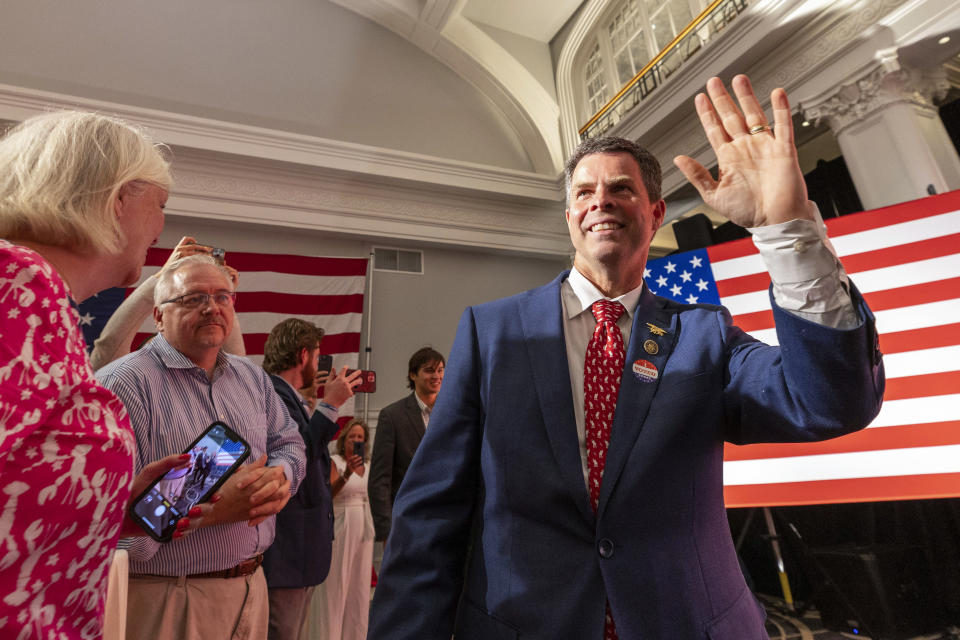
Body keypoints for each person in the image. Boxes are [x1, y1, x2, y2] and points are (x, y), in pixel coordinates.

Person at [367, 75, 885, 639]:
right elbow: (431, 516)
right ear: (569, 218)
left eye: (621, 188)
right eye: (584, 193)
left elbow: (832, 403)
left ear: (656, 212)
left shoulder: (704, 334)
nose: (601, 201)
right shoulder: (490, 332)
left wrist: (787, 230)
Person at [0, 110, 206, 639]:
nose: (161, 226)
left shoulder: (43, 301)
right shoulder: (15, 290)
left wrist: (114, 509)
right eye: (159, 205)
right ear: (117, 200)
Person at [96, 254, 307, 640]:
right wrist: (208, 511)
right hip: (171, 596)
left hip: (252, 585)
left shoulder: (252, 377)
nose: (212, 307)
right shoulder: (122, 385)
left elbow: (289, 442)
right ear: (158, 316)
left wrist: (281, 477)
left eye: (222, 296)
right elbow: (113, 532)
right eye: (193, 298)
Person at [259, 317, 361, 640]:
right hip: (287, 549)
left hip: (301, 550)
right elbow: (297, 452)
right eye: (317, 356)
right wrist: (331, 404)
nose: (318, 364)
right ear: (303, 355)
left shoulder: (294, 398)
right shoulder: (274, 395)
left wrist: (318, 402)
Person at [90, 235, 246, 370]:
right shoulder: (125, 379)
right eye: (159, 355)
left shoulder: (232, 380)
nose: (212, 309)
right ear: (159, 318)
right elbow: (110, 346)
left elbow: (236, 360)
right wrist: (161, 276)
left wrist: (224, 291)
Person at [367, 347, 445, 542]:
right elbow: (380, 480)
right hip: (406, 523)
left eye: (440, 370)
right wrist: (386, 531)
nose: (436, 376)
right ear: (413, 375)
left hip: (446, 521)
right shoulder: (393, 416)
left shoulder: (453, 413)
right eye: (429, 370)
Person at [310, 419, 374, 640]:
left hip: (363, 526)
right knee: (336, 585)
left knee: (359, 586)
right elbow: (330, 495)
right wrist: (346, 474)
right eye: (352, 437)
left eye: (360, 438)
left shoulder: (369, 465)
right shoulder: (334, 462)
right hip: (341, 523)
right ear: (343, 440)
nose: (356, 441)